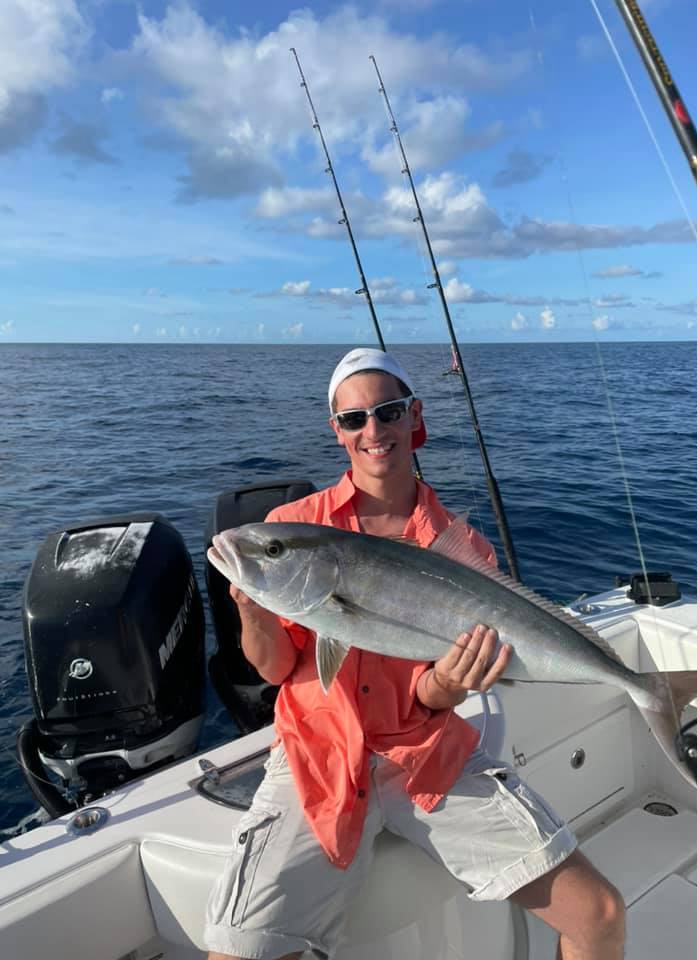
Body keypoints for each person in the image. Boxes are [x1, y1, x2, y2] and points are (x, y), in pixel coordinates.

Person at [205, 347, 625, 960]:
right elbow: (275, 670)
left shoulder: (461, 547)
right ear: (338, 433)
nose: (372, 431)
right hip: (316, 757)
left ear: (413, 416)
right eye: (354, 419)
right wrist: (251, 605)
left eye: (388, 411)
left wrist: (450, 687)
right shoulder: (295, 523)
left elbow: (432, 694)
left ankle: (647, 688)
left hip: (426, 757)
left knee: (600, 915)